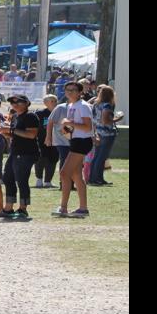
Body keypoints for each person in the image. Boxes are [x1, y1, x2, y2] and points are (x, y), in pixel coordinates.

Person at [52, 81, 94, 218]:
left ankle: (63, 208)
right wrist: (66, 129)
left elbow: (88, 127)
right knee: (76, 176)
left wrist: (69, 124)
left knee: (64, 173)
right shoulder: (71, 105)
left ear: (80, 92)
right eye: (67, 89)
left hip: (82, 142)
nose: (70, 92)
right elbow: (72, 127)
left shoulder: (83, 106)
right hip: (76, 141)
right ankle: (83, 208)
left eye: (73, 90)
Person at [0, 94, 42, 220]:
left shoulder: (30, 116)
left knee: (21, 180)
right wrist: (6, 133)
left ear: (27, 103)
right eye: (13, 103)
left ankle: (23, 209)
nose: (15, 105)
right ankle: (8, 208)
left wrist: (10, 130)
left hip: (26, 153)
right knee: (7, 178)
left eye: (19, 102)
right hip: (15, 151)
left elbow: (31, 135)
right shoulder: (16, 116)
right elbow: (17, 134)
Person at [88, 84, 125, 186]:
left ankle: (93, 178)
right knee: (101, 157)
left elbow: (94, 119)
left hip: (98, 132)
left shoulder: (96, 104)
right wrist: (119, 118)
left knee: (96, 157)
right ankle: (97, 179)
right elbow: (105, 121)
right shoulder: (107, 105)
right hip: (107, 134)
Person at [35, 95, 60, 189]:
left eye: (55, 101)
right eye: (52, 101)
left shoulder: (60, 112)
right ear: (46, 103)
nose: (55, 103)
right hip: (41, 141)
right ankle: (39, 180)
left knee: (53, 160)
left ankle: (48, 181)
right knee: (40, 160)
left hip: (56, 141)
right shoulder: (39, 113)